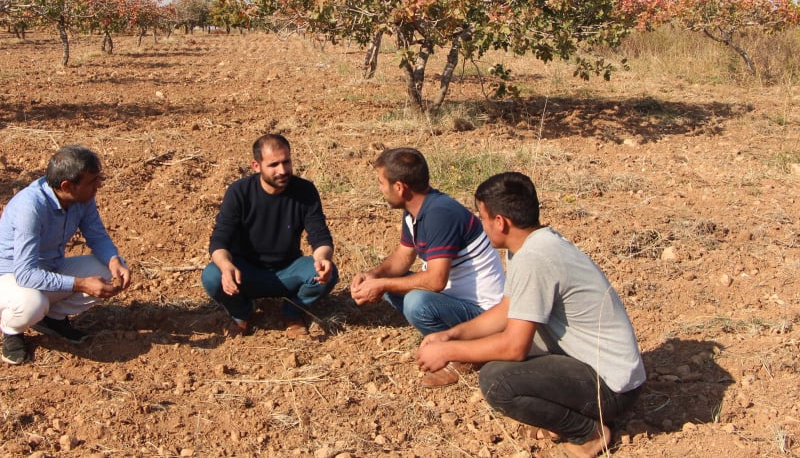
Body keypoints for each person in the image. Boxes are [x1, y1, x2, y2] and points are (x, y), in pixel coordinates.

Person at [415, 172, 646, 458]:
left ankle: (588, 432)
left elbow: (514, 346)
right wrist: (452, 334)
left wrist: (449, 351)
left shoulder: (534, 258)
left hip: (612, 389)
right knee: (496, 349)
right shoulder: (531, 244)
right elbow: (507, 309)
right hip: (601, 369)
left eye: (483, 217)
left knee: (497, 380)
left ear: (501, 222)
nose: (480, 224)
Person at [350, 147, 505, 386]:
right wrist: (373, 276)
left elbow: (435, 281)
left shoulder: (439, 214)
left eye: (381, 183)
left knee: (416, 302)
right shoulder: (415, 210)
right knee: (393, 288)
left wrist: (382, 284)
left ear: (400, 187)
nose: (380, 189)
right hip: (453, 299)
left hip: (484, 314)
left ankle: (465, 354)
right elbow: (403, 257)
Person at [0, 145, 131, 365]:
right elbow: (26, 275)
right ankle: (12, 331)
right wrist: (81, 284)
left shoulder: (82, 199)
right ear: (67, 186)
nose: (98, 185)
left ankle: (52, 318)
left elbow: (97, 236)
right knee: (31, 301)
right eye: (92, 181)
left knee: (109, 268)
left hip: (47, 272)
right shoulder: (30, 207)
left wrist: (114, 260)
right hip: (6, 281)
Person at [201, 133, 338, 339]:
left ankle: (292, 313)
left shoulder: (305, 190)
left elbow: (320, 236)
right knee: (212, 276)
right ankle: (241, 313)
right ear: (257, 166)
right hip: (245, 272)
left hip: (287, 270)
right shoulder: (239, 192)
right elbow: (220, 239)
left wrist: (322, 258)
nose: (282, 170)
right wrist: (226, 266)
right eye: (274, 165)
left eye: (286, 162)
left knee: (328, 274)